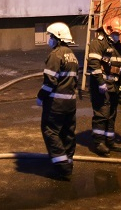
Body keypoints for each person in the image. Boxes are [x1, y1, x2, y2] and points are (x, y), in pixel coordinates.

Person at [37, 22, 79, 179]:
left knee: (51, 131)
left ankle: (62, 167)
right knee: (67, 133)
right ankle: (68, 162)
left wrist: (41, 97)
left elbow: (50, 82)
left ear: (58, 38)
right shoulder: (72, 56)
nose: (50, 39)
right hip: (70, 103)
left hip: (56, 104)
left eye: (51, 37)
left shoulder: (56, 55)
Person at [86, 15, 121, 156]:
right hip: (102, 87)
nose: (118, 36)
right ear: (109, 30)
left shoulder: (117, 46)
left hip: (114, 86)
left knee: (111, 115)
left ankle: (109, 140)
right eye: (116, 33)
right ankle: (99, 143)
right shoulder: (98, 43)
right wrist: (100, 83)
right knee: (101, 115)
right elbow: (94, 64)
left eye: (119, 34)